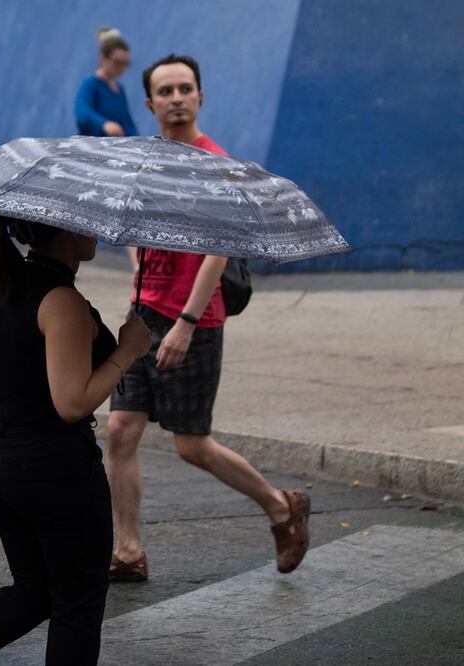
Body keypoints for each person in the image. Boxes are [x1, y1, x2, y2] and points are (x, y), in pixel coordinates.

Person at [0, 217, 152, 666]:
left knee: (36, 588)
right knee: (78, 599)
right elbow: (72, 403)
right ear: (69, 231)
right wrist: (128, 350)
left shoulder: (0, 283)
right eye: (88, 224)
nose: (97, 232)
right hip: (54, 470)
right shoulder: (61, 301)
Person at [105, 54, 311, 583]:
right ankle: (128, 550)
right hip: (141, 314)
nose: (176, 98)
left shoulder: (215, 164)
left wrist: (186, 322)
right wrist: (138, 268)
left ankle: (281, 507)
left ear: (200, 97)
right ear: (149, 103)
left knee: (191, 445)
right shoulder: (148, 162)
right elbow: (133, 225)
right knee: (121, 431)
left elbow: (219, 248)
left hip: (192, 320)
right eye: (166, 91)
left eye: (185, 89)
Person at [74, 26, 138, 138]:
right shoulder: (90, 84)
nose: (122, 68)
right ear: (103, 57)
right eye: (117, 62)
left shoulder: (119, 90)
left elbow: (127, 124)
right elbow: (82, 113)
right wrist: (104, 124)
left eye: (125, 64)